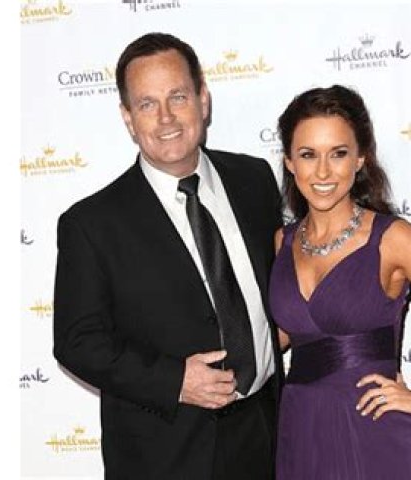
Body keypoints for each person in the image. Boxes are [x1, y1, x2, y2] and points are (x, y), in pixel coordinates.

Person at [52, 32, 284, 480]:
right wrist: (174, 380)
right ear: (127, 118)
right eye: (147, 104)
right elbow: (77, 342)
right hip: (164, 454)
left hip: (264, 436)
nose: (165, 118)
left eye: (177, 96)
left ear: (203, 100)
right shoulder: (91, 224)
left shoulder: (254, 180)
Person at [269, 85, 411, 479]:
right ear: (290, 162)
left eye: (338, 153)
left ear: (360, 158)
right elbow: (286, 334)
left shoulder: (391, 239)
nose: (322, 172)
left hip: (376, 433)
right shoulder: (283, 242)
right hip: (302, 430)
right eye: (308, 155)